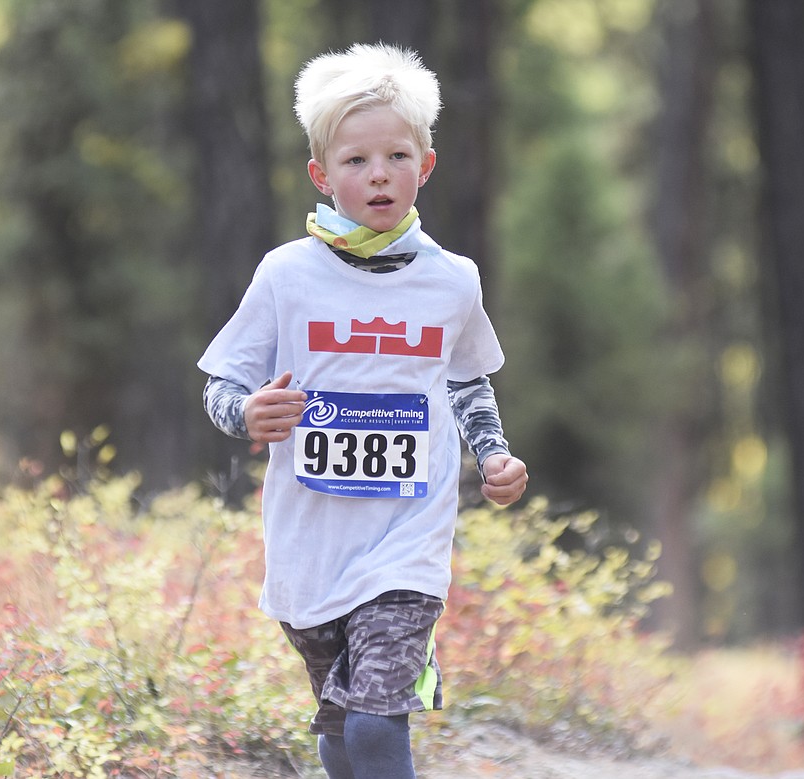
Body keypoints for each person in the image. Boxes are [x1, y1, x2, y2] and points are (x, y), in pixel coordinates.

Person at [197, 42, 528, 779]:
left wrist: (494, 454)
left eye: (396, 156)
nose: (378, 173)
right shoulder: (286, 275)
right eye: (355, 161)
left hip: (408, 539)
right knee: (342, 734)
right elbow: (221, 383)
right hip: (310, 545)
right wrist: (247, 412)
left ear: (425, 165)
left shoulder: (453, 282)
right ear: (321, 174)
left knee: (379, 730)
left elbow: (468, 382)